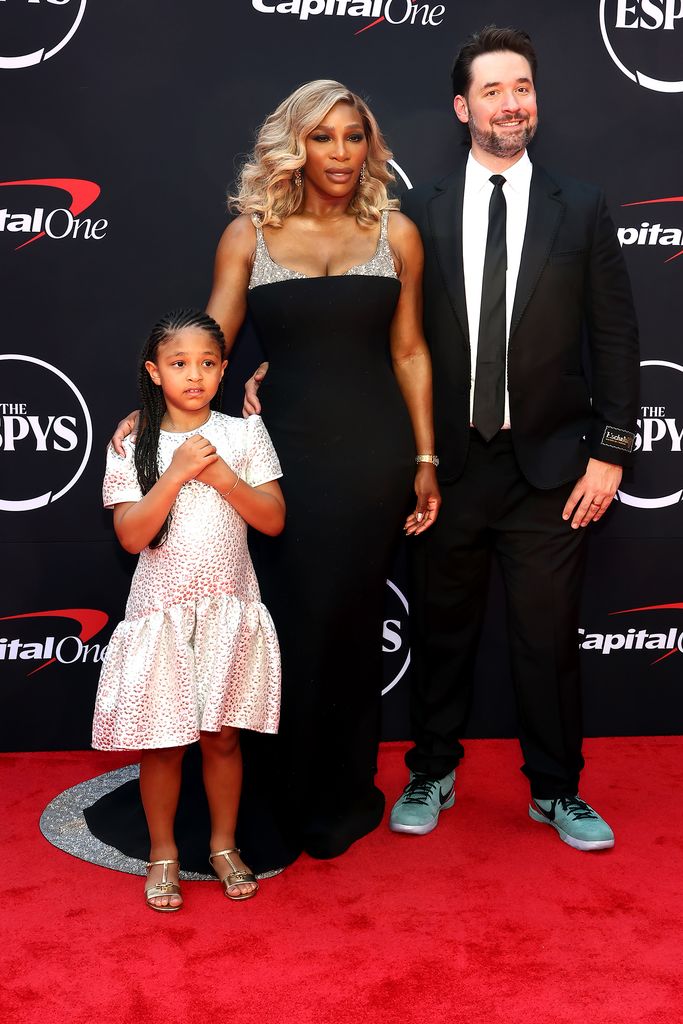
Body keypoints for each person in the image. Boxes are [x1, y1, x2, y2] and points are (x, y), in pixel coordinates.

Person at [102, 80, 440, 865]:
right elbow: (209, 339)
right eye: (323, 138)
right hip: (279, 459)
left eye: (354, 137)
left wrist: (424, 458)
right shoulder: (247, 236)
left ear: (370, 146)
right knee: (283, 622)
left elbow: (410, 351)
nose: (341, 154)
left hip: (371, 457)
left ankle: (339, 794)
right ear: (294, 146)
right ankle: (271, 796)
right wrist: (150, 411)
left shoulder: (400, 233)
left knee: (351, 626)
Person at [388, 26, 640, 851]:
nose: (511, 104)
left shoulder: (584, 204)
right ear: (463, 107)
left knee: (546, 638)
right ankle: (430, 769)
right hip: (447, 465)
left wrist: (609, 452)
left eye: (522, 87)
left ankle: (557, 791)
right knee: (439, 628)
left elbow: (615, 338)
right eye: (493, 90)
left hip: (550, 468)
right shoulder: (415, 211)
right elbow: (380, 334)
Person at [93, 308, 285, 910]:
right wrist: (175, 474)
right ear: (154, 372)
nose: (194, 376)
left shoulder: (245, 433)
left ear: (225, 369)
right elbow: (131, 536)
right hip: (163, 611)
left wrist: (225, 479)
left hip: (229, 606)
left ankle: (223, 846)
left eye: (207, 364)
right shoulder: (132, 442)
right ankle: (164, 853)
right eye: (179, 364)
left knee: (222, 737)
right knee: (163, 742)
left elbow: (273, 520)